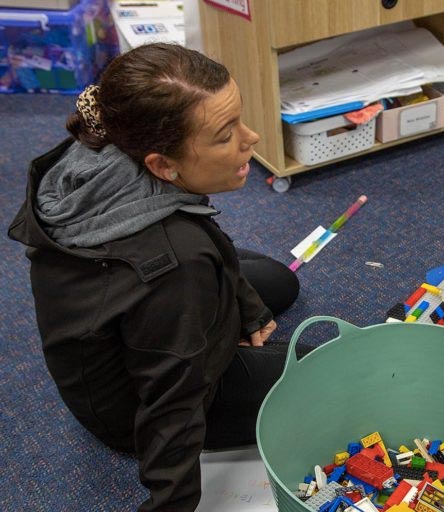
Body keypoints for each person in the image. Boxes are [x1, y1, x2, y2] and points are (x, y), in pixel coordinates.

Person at [7, 43, 308, 511]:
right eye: (225, 134)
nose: (250, 138)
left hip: (124, 323)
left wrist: (247, 308)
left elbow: (201, 230)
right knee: (332, 368)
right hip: (133, 409)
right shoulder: (176, 265)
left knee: (275, 283)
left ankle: (236, 316)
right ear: (163, 166)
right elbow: (172, 401)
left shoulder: (111, 138)